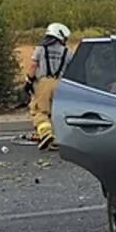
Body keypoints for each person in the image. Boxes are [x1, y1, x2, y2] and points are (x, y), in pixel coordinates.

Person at [26, 22, 72, 150]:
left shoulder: (40, 48)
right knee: (55, 111)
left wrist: (29, 81)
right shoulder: (67, 51)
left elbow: (33, 66)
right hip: (61, 84)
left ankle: (46, 134)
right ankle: (55, 141)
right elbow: (73, 69)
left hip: (43, 83)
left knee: (39, 111)